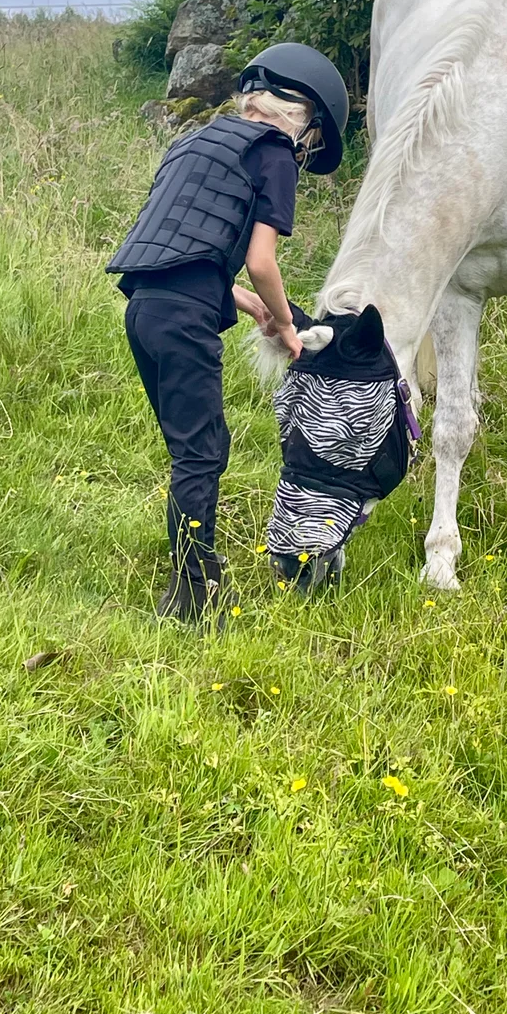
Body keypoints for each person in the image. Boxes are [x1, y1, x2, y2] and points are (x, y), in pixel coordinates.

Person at [106, 43, 349, 628]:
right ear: (305, 116)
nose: (308, 147)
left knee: (190, 450)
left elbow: (178, 253)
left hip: (146, 312)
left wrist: (247, 304)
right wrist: (286, 324)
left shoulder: (193, 143)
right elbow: (261, 261)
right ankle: (192, 594)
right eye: (315, 135)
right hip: (183, 319)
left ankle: (195, 577)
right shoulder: (274, 154)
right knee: (202, 453)